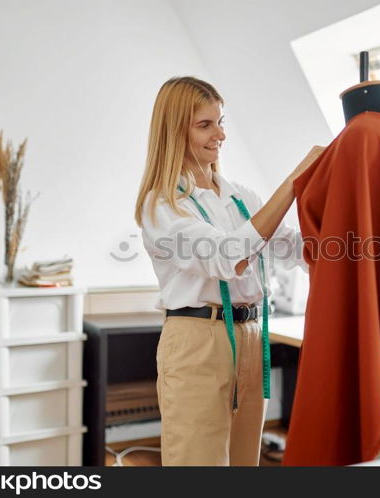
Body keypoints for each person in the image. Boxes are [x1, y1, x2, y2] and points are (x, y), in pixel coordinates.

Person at [133, 76, 323, 466]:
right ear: (174, 132)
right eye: (205, 125)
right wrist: (295, 181)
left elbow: (294, 248)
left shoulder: (240, 197)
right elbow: (228, 258)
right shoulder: (162, 206)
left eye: (221, 122)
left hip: (251, 336)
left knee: (243, 465)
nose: (219, 134)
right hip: (198, 341)